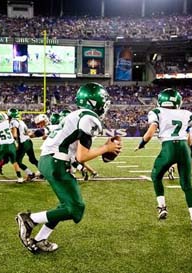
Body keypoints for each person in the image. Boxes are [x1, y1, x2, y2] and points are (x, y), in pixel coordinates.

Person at [15, 82, 121, 253]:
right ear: (95, 102)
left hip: (50, 159)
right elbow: (82, 156)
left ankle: (41, 238)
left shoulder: (76, 115)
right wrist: (106, 149)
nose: (106, 105)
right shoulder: (90, 118)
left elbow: (74, 151)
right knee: (76, 209)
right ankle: (30, 219)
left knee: (65, 205)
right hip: (56, 161)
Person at [135, 88, 192, 231]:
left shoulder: (157, 112)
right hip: (184, 147)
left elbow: (150, 132)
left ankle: (162, 207)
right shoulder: (187, 113)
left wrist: (142, 143)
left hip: (168, 148)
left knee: (156, 176)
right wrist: (190, 150)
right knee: (187, 185)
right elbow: (190, 138)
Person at [8, 108, 39, 181]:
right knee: (33, 159)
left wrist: (14, 142)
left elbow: (15, 135)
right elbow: (27, 132)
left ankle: (30, 174)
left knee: (17, 161)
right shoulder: (21, 121)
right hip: (28, 142)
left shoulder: (13, 121)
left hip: (23, 143)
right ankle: (44, 172)